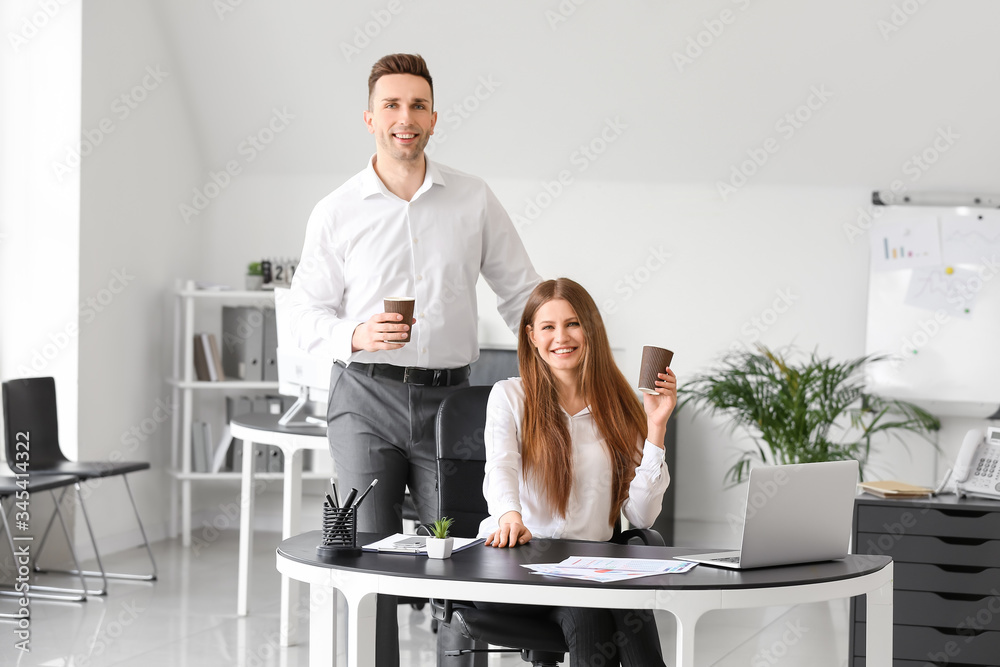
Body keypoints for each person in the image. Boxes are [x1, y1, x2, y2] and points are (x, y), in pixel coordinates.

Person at [287, 53, 541, 667]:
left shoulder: (473, 198)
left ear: (433, 118)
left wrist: (557, 364)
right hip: (364, 399)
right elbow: (301, 316)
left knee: (464, 559)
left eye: (418, 105)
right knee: (366, 557)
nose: (406, 117)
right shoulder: (337, 209)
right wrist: (354, 333)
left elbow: (521, 294)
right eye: (393, 105)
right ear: (370, 117)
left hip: (455, 404)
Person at [478, 277, 675, 666]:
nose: (561, 337)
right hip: (520, 563)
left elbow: (641, 517)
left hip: (589, 568)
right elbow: (501, 465)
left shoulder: (618, 407)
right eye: (548, 327)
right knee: (598, 605)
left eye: (572, 324)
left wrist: (656, 427)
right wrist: (509, 516)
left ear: (590, 330)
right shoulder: (509, 396)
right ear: (531, 336)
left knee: (603, 607)